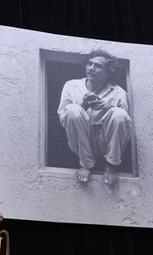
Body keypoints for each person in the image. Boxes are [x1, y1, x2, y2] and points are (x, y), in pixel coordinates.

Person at [57, 49, 133, 186]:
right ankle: (86, 164)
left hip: (106, 143)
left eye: (97, 66)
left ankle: (111, 165)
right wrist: (83, 105)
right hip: (80, 141)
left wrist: (107, 108)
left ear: (108, 72)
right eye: (89, 64)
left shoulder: (119, 93)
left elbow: (125, 127)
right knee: (73, 109)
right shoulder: (71, 86)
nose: (91, 68)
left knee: (119, 114)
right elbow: (63, 120)